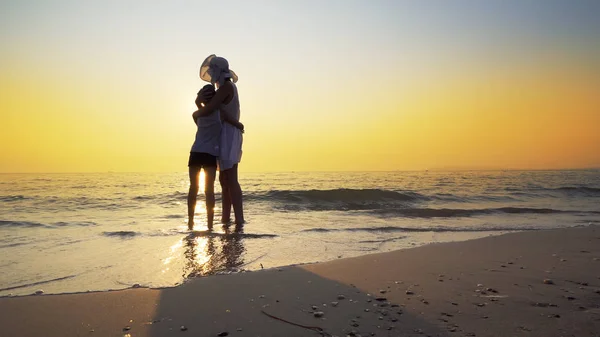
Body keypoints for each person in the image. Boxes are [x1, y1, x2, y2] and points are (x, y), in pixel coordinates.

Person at [193, 55, 245, 225]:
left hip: (228, 133)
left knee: (230, 178)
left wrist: (198, 104)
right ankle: (226, 218)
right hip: (226, 131)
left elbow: (211, 108)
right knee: (224, 179)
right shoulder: (227, 87)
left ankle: (238, 218)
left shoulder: (226, 88)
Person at [187, 84, 220, 230]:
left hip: (196, 152)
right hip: (210, 153)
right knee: (209, 190)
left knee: (193, 188)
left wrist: (197, 102)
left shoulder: (197, 114)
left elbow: (199, 114)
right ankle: (210, 224)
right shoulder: (218, 113)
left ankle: (190, 222)